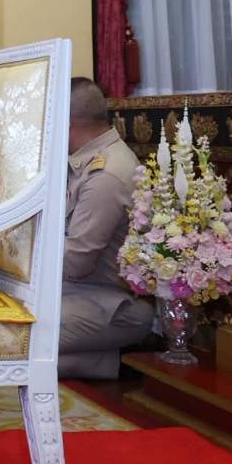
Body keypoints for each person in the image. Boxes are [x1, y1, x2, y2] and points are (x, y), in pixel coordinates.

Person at [60, 77, 153, 379]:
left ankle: (109, 360)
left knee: (18, 337)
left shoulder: (107, 173)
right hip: (77, 293)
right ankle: (107, 362)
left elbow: (76, 262)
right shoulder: (83, 160)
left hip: (112, 304)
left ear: (66, 120)